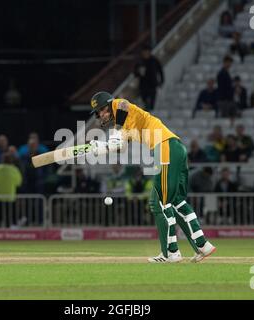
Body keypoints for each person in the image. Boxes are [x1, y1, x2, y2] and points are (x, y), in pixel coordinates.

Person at [89, 91, 216, 263]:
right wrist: (101, 147)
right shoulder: (126, 123)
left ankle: (171, 254)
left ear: (106, 106)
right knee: (176, 201)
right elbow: (121, 146)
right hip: (175, 149)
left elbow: (123, 105)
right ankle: (202, 245)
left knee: (162, 204)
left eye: (99, 112)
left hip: (165, 148)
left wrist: (115, 133)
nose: (99, 116)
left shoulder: (119, 105)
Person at [0, 153, 23, 227]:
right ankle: (8, 230)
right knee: (9, 216)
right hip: (10, 196)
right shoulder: (14, 169)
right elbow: (19, 182)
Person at [133, 45, 164, 111]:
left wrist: (161, 81)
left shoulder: (154, 60)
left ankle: (150, 111)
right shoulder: (140, 62)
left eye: (146, 52)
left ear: (149, 52)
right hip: (143, 85)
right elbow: (135, 73)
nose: (145, 54)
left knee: (152, 103)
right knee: (144, 101)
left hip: (153, 84)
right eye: (144, 52)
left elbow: (160, 71)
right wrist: (139, 72)